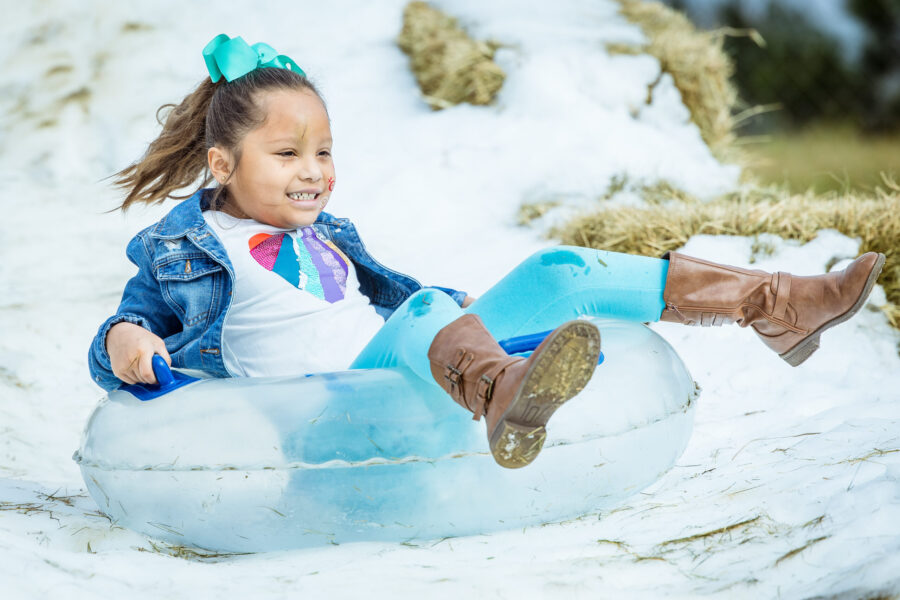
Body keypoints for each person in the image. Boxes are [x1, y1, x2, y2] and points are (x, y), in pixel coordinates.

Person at [89, 34, 885, 470]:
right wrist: (125, 341)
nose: (315, 173)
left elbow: (385, 306)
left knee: (558, 272)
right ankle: (505, 392)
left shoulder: (328, 234)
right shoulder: (180, 249)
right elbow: (126, 330)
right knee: (430, 311)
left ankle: (777, 305)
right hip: (329, 420)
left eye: (325, 152)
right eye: (288, 154)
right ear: (223, 164)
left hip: (405, 365)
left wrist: (454, 313)